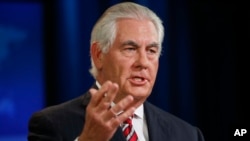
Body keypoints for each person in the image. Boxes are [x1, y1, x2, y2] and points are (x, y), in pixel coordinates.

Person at [28, 2, 205, 141]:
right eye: (130, 48)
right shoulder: (51, 124)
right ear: (98, 55)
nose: (143, 62)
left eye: (151, 51)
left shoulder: (188, 134)